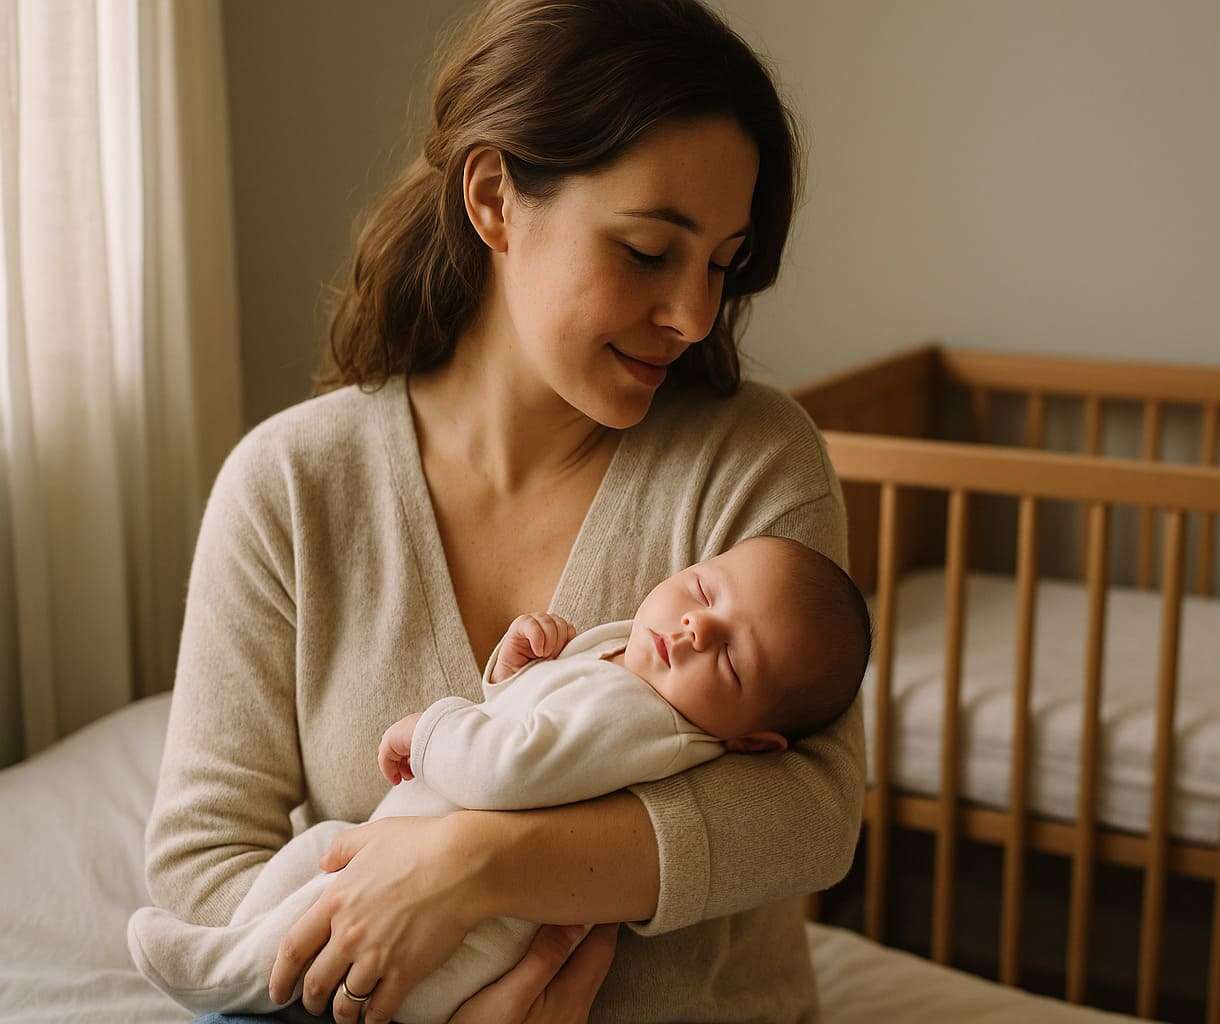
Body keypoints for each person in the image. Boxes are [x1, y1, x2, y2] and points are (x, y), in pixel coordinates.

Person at [140, 1, 866, 1022]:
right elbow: (200, 871)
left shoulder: (749, 459)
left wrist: (475, 865)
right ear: (493, 197)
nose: (696, 315)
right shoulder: (291, 489)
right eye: (650, 252)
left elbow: (810, 813)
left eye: (722, 262)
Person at [130, 538, 872, 1023]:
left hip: (461, 951)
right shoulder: (625, 659)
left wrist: (428, 728)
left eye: (733, 661)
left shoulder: (646, 716)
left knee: (323, 886)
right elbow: (536, 724)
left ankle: (225, 970)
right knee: (322, 850)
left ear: (751, 740)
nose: (695, 630)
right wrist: (521, 672)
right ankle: (238, 939)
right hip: (395, 880)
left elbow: (507, 767)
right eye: (704, 593)